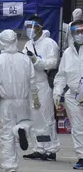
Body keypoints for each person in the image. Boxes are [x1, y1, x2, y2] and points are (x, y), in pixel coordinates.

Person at [0, 29, 40, 172]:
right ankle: (21, 129)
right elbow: (32, 81)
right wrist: (35, 99)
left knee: (6, 133)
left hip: (6, 102)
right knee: (25, 121)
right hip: (22, 100)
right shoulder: (25, 59)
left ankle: (10, 166)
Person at [22, 15, 60, 161]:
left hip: (43, 83)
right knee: (34, 118)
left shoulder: (49, 43)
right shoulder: (28, 44)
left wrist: (36, 60)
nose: (30, 30)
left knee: (46, 117)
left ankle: (51, 149)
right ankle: (39, 148)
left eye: (32, 27)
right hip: (31, 85)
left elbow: (53, 63)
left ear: (39, 27)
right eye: (28, 27)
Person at [53, 19, 83, 170]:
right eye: (76, 31)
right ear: (71, 33)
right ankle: (82, 156)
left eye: (82, 31)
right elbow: (61, 75)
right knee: (77, 127)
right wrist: (57, 93)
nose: (79, 34)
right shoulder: (67, 53)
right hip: (73, 95)